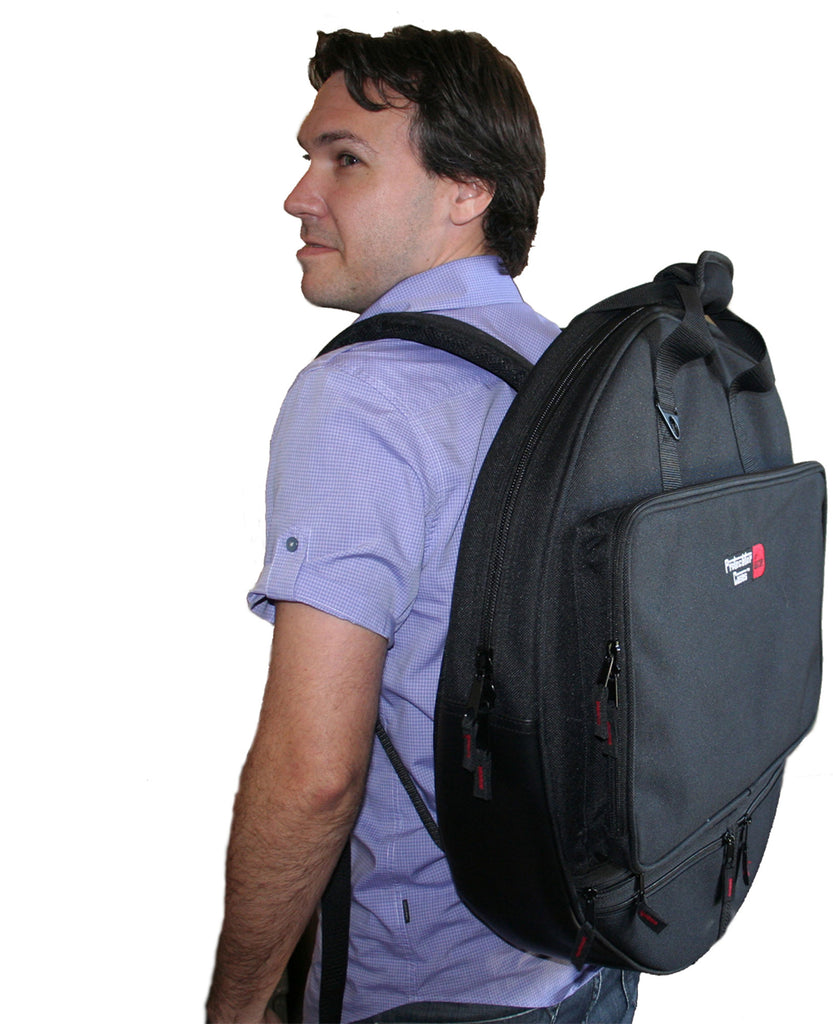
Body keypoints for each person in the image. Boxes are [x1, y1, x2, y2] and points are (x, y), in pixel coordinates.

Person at [206, 26, 639, 1024]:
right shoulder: (577, 376)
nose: (300, 194)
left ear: (466, 190)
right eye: (308, 157)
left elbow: (313, 774)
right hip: (592, 959)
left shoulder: (365, 396)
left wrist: (235, 1004)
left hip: (422, 989)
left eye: (346, 160)